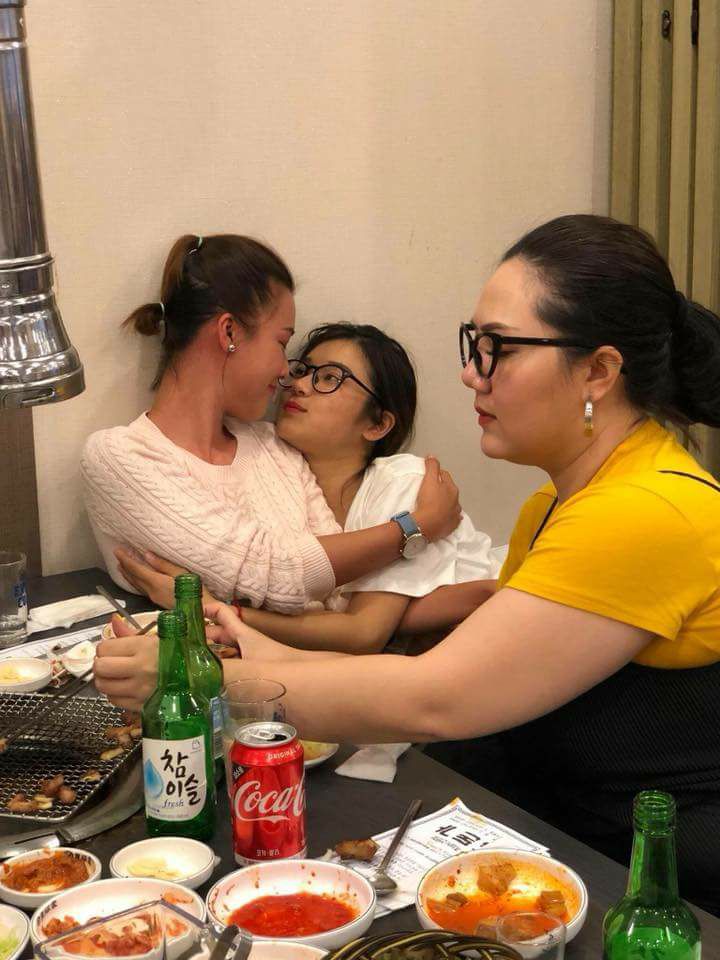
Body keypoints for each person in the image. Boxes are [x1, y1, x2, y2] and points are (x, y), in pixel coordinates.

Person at [94, 215, 720, 914]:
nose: (470, 372)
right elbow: (462, 671)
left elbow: (437, 695)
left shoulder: (646, 509)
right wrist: (251, 645)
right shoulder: (553, 504)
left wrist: (201, 679)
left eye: (499, 349)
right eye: (474, 344)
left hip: (659, 882)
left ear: (599, 371)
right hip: (556, 834)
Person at [81, 234, 461, 616]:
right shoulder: (120, 457)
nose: (285, 371)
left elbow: (338, 593)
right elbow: (271, 572)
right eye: (282, 343)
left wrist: (216, 606)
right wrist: (419, 525)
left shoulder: (272, 444)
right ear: (229, 333)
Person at [117, 322, 501, 653]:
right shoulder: (282, 484)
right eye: (302, 370)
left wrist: (211, 609)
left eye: (330, 378)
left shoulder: (403, 482)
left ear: (378, 425)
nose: (298, 385)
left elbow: (362, 633)